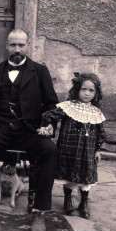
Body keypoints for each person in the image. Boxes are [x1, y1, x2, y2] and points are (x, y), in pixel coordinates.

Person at [0, 28, 59, 231]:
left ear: (28, 46)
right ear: (6, 46)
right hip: (0, 128)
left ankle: (39, 211)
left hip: (30, 130)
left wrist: (47, 124)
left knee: (50, 151)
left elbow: (51, 104)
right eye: (13, 45)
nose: (17, 49)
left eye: (21, 45)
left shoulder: (40, 71)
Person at [39, 72, 106, 218]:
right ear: (77, 90)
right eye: (84, 89)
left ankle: (84, 202)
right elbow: (50, 115)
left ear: (96, 93)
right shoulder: (68, 107)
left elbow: (100, 133)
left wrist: (98, 150)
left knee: (86, 176)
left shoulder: (96, 112)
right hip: (69, 149)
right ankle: (68, 199)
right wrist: (48, 125)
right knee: (69, 175)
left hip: (87, 151)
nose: (87, 93)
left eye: (91, 90)